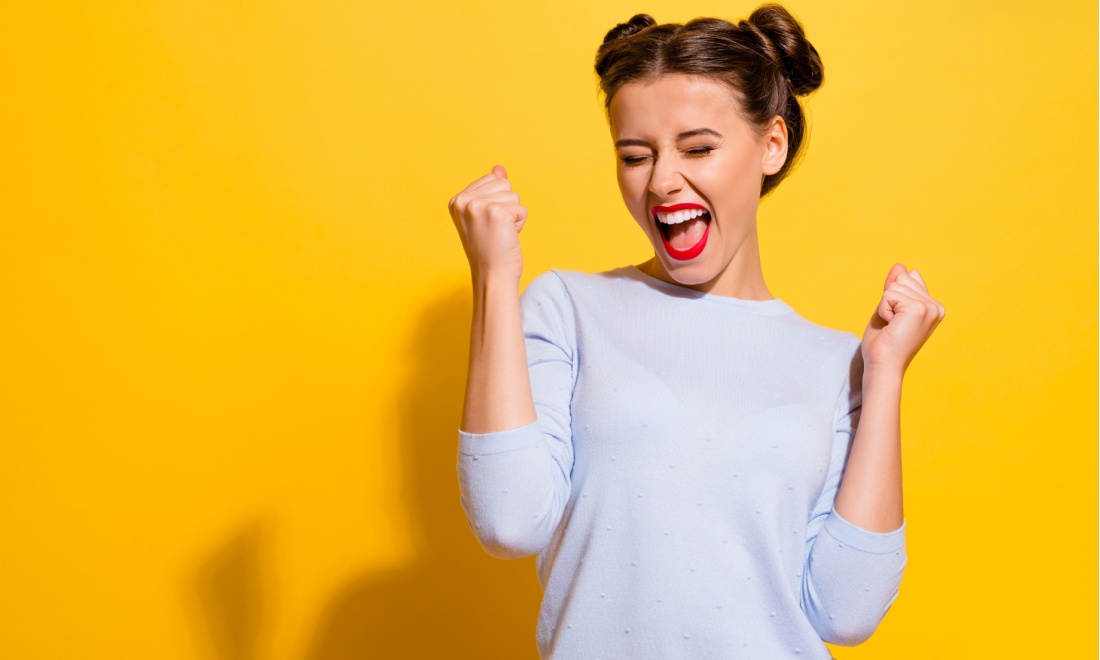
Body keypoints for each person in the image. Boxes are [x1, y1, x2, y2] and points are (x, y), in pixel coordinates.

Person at [448, 4, 945, 658]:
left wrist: (884, 376)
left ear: (772, 144)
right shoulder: (567, 308)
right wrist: (493, 279)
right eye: (635, 155)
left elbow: (846, 611)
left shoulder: (839, 363)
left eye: (698, 148)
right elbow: (509, 521)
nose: (660, 181)